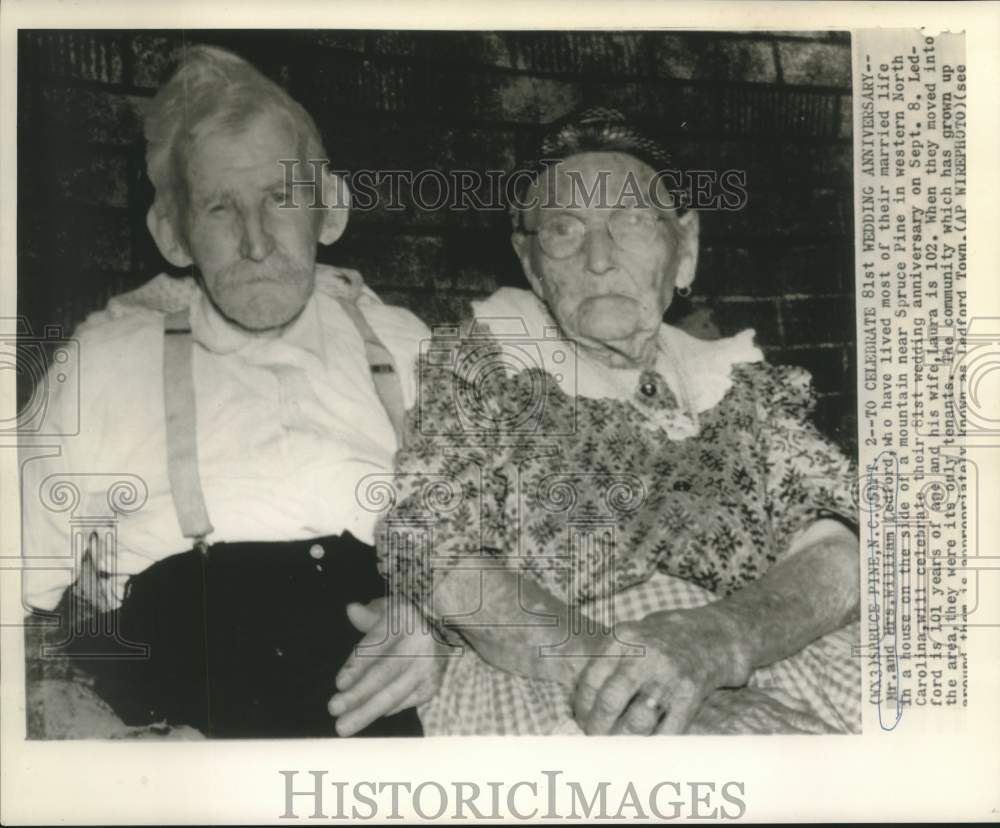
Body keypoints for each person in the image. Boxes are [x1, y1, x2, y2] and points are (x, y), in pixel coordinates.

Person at [345, 107, 862, 735]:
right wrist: (641, 689)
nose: (599, 258)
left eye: (633, 223)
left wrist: (720, 639)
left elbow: (841, 549)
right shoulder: (485, 362)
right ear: (532, 264)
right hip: (564, 675)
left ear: (686, 247)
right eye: (564, 230)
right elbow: (437, 554)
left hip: (766, 645)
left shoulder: (739, 380)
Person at [19, 45, 445, 739]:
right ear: (173, 233)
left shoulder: (408, 346)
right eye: (220, 208)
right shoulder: (104, 365)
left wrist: (443, 627)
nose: (255, 243)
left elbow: (517, 553)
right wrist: (58, 709)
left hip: (392, 730)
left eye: (280, 198)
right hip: (190, 729)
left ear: (329, 209)